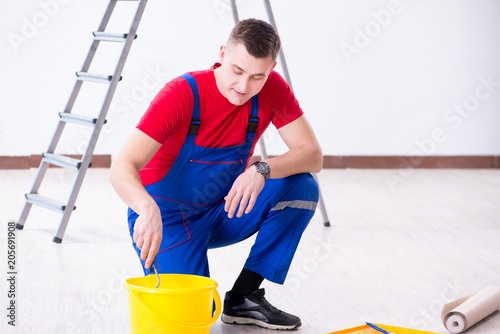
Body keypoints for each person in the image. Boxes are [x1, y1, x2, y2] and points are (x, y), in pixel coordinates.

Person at [109, 18, 322, 330]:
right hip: (164, 220)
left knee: (302, 187)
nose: (243, 86)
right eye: (237, 71)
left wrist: (262, 169)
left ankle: (244, 297)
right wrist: (145, 207)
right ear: (223, 53)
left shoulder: (273, 89)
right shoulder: (182, 93)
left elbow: (313, 155)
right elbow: (121, 167)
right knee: (191, 317)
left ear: (272, 69)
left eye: (257, 77)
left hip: (223, 210)